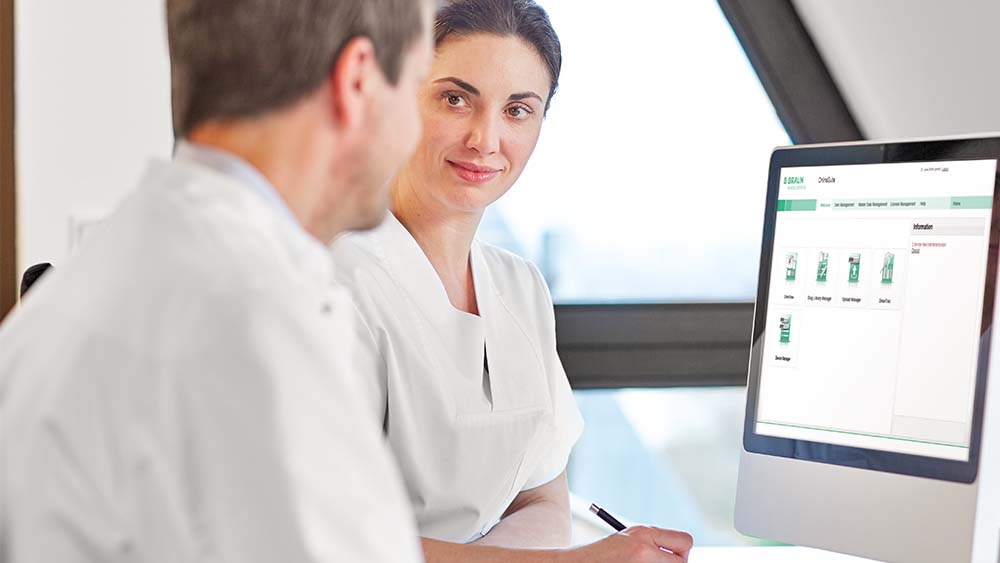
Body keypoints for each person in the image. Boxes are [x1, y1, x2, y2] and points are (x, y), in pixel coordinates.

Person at [0, 1, 434, 561]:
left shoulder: (102, 275)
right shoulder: (252, 326)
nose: (415, 130)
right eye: (420, 83)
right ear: (356, 81)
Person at [331, 0, 693, 561]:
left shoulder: (520, 286)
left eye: (519, 110)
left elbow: (545, 501)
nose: (485, 139)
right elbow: (331, 544)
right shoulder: (337, 281)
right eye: (456, 99)